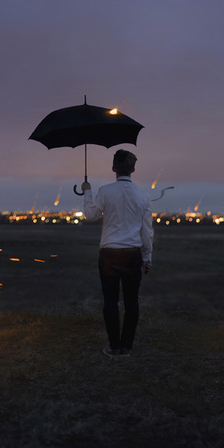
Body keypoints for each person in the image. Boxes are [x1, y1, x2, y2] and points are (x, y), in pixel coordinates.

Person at [82, 149, 153, 357]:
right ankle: (127, 347)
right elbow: (147, 231)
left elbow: (90, 215)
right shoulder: (143, 195)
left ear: (113, 168)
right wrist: (147, 257)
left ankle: (114, 346)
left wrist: (87, 191)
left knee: (110, 301)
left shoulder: (104, 191)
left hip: (109, 255)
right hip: (132, 254)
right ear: (133, 169)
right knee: (132, 301)